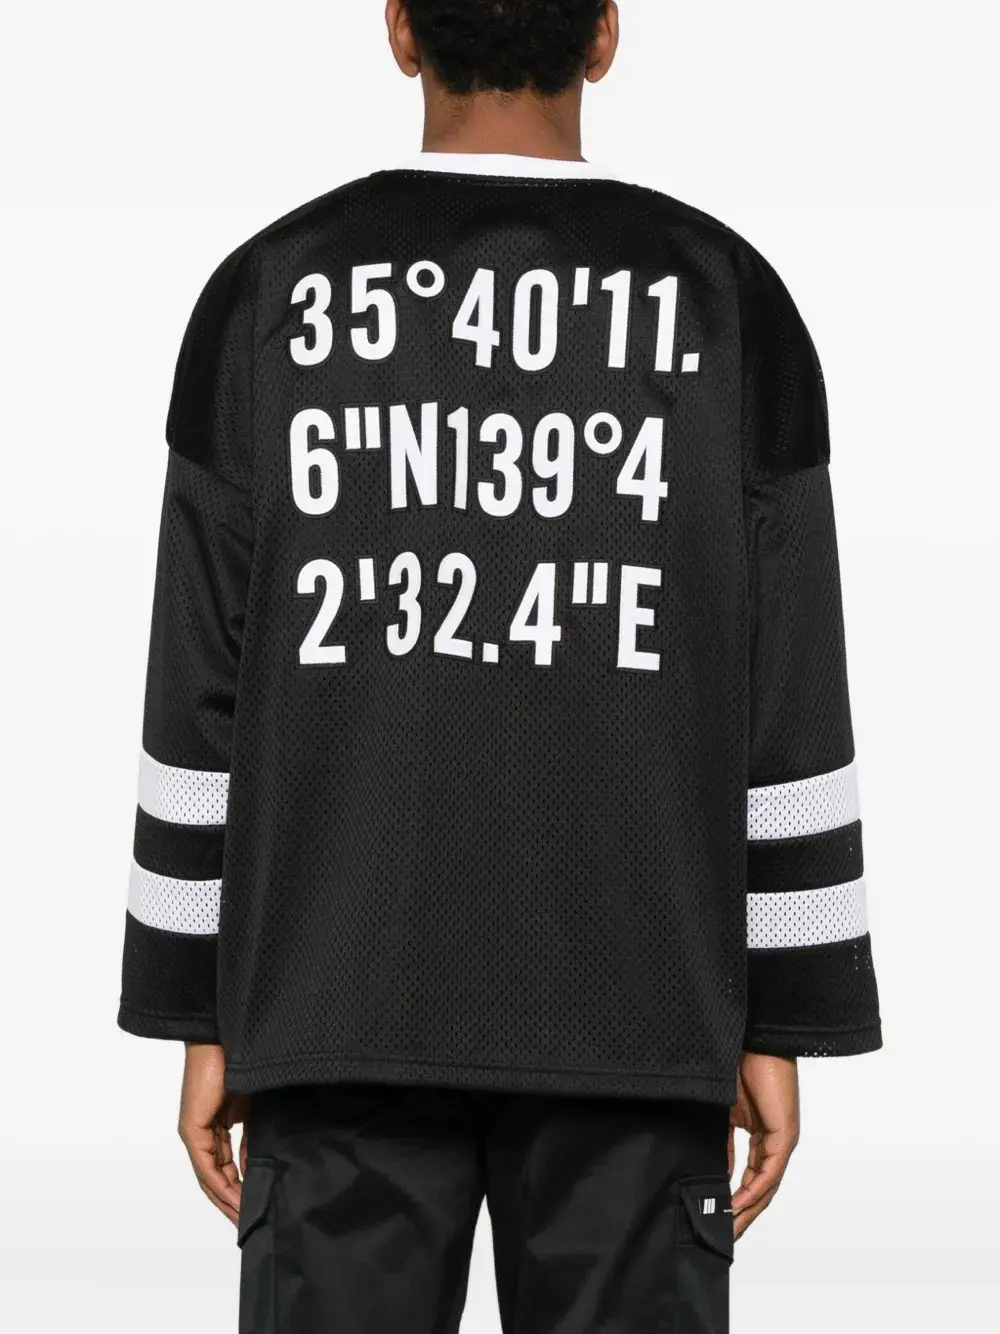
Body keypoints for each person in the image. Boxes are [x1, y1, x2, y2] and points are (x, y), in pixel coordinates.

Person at [118, 2, 882, 1330]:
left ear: (400, 30)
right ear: (605, 35)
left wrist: (203, 1005)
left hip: (333, 1003)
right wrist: (782, 1013)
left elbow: (199, 691)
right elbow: (789, 695)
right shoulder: (728, 302)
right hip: (641, 1013)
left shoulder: (265, 296)